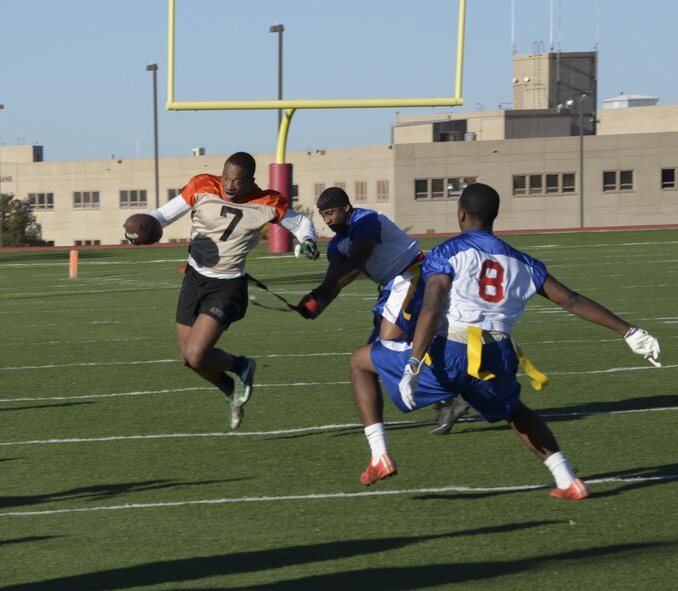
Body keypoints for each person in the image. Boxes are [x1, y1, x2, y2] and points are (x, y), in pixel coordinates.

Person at [349, 182, 661, 499]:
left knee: (360, 363)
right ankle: (568, 480)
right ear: (494, 216)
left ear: (461, 214)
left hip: (452, 351)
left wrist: (415, 362)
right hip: (498, 352)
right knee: (516, 412)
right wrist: (629, 331)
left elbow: (432, 305)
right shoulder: (522, 261)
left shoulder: (448, 251)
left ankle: (379, 456)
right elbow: (571, 300)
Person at [130, 152, 319, 429]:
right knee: (187, 358)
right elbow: (162, 216)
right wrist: (141, 228)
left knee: (197, 354)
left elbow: (301, 222)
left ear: (251, 182)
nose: (230, 186)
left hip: (228, 286)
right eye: (226, 178)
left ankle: (242, 365)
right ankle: (229, 388)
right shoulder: (202, 186)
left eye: (238, 181)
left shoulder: (265, 202)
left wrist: (308, 240)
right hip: (194, 279)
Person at [295, 187, 469, 436]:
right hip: (393, 287)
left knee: (385, 348)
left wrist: (319, 297)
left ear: (347, 208)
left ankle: (454, 392)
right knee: (375, 357)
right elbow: (334, 279)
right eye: (323, 215)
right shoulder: (336, 244)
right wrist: (316, 303)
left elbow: (355, 265)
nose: (328, 220)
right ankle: (448, 400)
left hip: (413, 276)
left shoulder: (365, 221)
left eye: (331, 213)